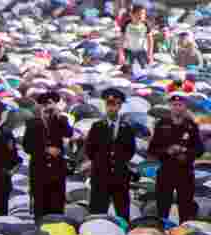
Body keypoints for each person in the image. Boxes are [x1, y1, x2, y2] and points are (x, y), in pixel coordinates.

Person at [149, 94, 204, 223]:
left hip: (185, 171)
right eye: (174, 105)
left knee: (185, 207)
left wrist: (185, 151)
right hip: (166, 171)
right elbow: (152, 150)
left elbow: (200, 150)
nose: (177, 107)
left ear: (185, 107)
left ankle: (183, 233)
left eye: (180, 105)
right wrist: (168, 151)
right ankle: (162, 231)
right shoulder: (161, 125)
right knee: (163, 206)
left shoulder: (191, 126)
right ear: (170, 107)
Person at [85, 88, 137, 221]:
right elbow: (89, 150)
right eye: (109, 104)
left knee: (122, 211)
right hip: (101, 174)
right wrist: (101, 162)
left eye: (115, 104)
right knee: (97, 211)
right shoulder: (97, 126)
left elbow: (130, 150)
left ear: (120, 106)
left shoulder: (127, 127)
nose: (111, 108)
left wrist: (119, 161)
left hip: (120, 175)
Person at [23, 91, 73, 220]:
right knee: (40, 203)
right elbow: (27, 146)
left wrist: (58, 115)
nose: (48, 108)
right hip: (39, 169)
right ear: (40, 106)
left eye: (51, 104)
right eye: (45, 104)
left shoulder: (61, 120)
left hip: (57, 169)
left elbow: (69, 133)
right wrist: (45, 150)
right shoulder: (33, 123)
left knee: (57, 202)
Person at [118, 4, 153, 70]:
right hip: (128, 51)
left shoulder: (146, 24)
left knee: (144, 70)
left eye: (143, 14)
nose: (141, 16)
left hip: (141, 51)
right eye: (139, 13)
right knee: (126, 70)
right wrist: (121, 54)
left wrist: (149, 54)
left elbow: (150, 40)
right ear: (132, 14)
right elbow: (121, 39)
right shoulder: (126, 24)